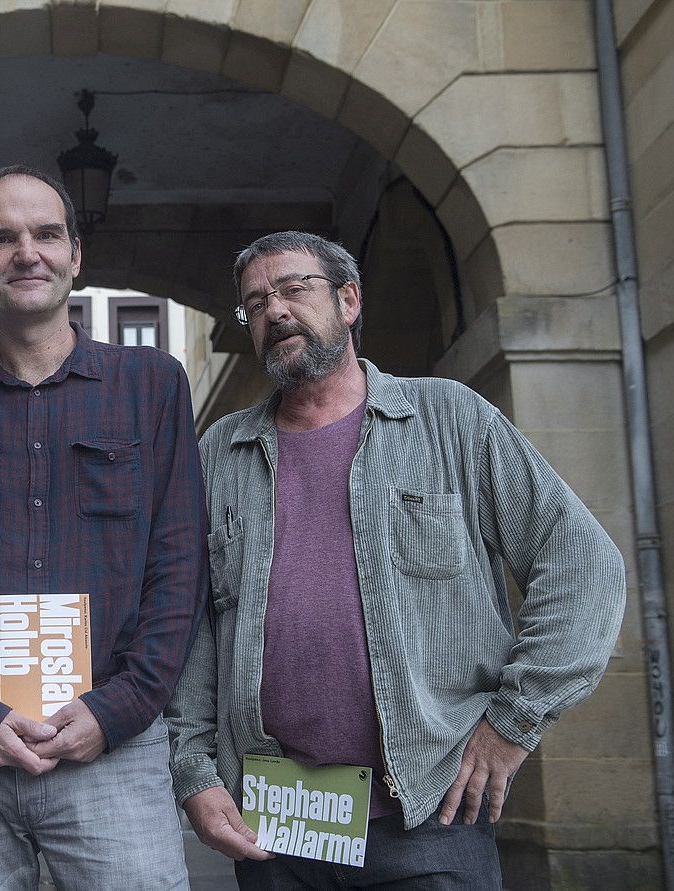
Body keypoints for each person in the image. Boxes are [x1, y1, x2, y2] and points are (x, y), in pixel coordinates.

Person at [166, 231, 626, 889]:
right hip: (279, 823)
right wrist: (195, 772)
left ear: (349, 300)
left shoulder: (451, 420)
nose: (275, 311)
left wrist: (513, 722)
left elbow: (583, 563)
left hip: (431, 814)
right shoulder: (220, 453)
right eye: (256, 303)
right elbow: (195, 629)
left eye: (295, 288)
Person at [0, 165, 208, 890]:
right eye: (2, 238)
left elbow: (179, 567)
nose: (27, 252)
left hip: (110, 747)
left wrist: (115, 709)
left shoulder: (152, 385)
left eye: (47, 234)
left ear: (75, 254)